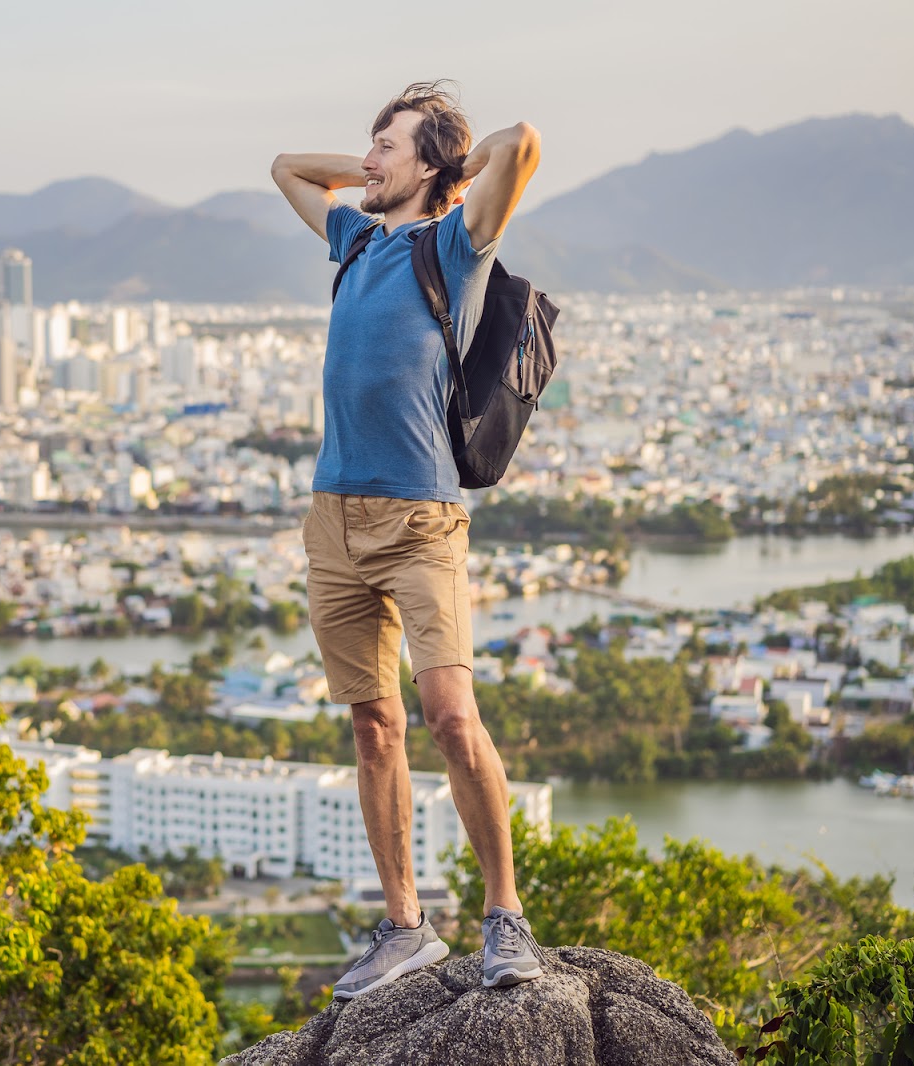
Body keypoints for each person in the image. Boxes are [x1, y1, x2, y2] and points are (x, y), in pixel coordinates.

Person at [270, 81, 543, 999]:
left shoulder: (453, 248)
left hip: (421, 519)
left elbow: (526, 143)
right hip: (333, 520)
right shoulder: (355, 240)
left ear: (432, 166)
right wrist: (379, 172)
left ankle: (504, 917)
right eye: (369, 146)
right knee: (372, 727)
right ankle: (405, 927)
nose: (368, 159)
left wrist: (448, 175)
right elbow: (285, 169)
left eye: (386, 146)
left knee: (451, 717)